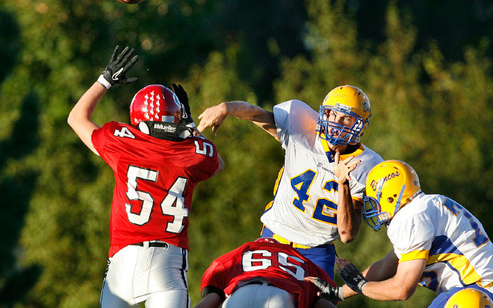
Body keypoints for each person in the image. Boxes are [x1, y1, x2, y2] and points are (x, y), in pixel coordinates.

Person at [68, 45, 224, 307]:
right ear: (175, 118)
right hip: (168, 265)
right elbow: (217, 163)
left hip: (121, 265)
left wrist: (104, 80)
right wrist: (190, 126)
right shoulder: (195, 153)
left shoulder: (121, 142)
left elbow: (76, 118)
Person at [197, 85, 383, 278]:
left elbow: (347, 234)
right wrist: (226, 108)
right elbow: (257, 114)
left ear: (359, 124)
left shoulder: (367, 165)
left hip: (316, 251)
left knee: (325, 304)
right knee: (224, 283)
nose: (336, 123)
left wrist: (343, 183)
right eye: (331, 114)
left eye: (346, 118)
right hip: (275, 236)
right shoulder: (303, 128)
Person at [305, 160, 493, 308]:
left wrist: (361, 284)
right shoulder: (425, 207)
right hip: (482, 290)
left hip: (479, 293)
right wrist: (340, 292)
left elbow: (402, 289)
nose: (374, 207)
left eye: (375, 200)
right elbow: (385, 266)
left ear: (389, 196)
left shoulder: (412, 217)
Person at [194, 238, 338, 308]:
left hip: (241, 293)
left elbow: (213, 297)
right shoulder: (302, 260)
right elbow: (324, 303)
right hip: (281, 297)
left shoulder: (243, 250)